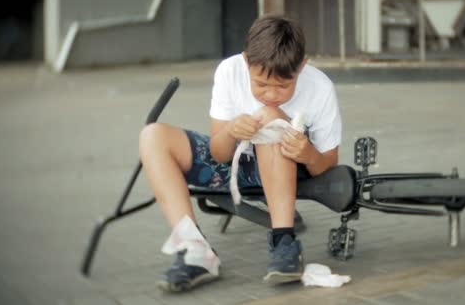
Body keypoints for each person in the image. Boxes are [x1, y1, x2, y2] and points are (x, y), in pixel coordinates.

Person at [138, 15, 342, 292]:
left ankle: (284, 241)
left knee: (270, 115)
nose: (271, 93)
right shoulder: (230, 71)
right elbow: (218, 154)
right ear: (246, 62)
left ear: (302, 66)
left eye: (283, 86)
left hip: (291, 168)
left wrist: (308, 154)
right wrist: (232, 131)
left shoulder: (320, 87)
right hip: (236, 164)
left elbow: (328, 166)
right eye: (260, 84)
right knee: (152, 136)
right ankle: (195, 249)